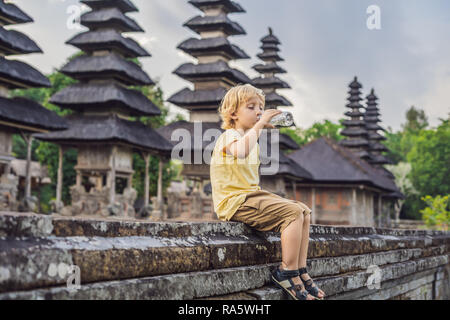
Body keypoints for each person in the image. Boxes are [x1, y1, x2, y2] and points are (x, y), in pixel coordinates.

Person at [210, 84, 325, 300]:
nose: (258, 112)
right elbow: (241, 151)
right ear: (233, 113)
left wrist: (259, 125)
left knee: (303, 210)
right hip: (234, 201)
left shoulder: (253, 140)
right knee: (291, 212)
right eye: (251, 107)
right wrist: (261, 123)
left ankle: (300, 270)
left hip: (251, 195)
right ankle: (286, 271)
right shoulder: (228, 136)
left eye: (261, 108)